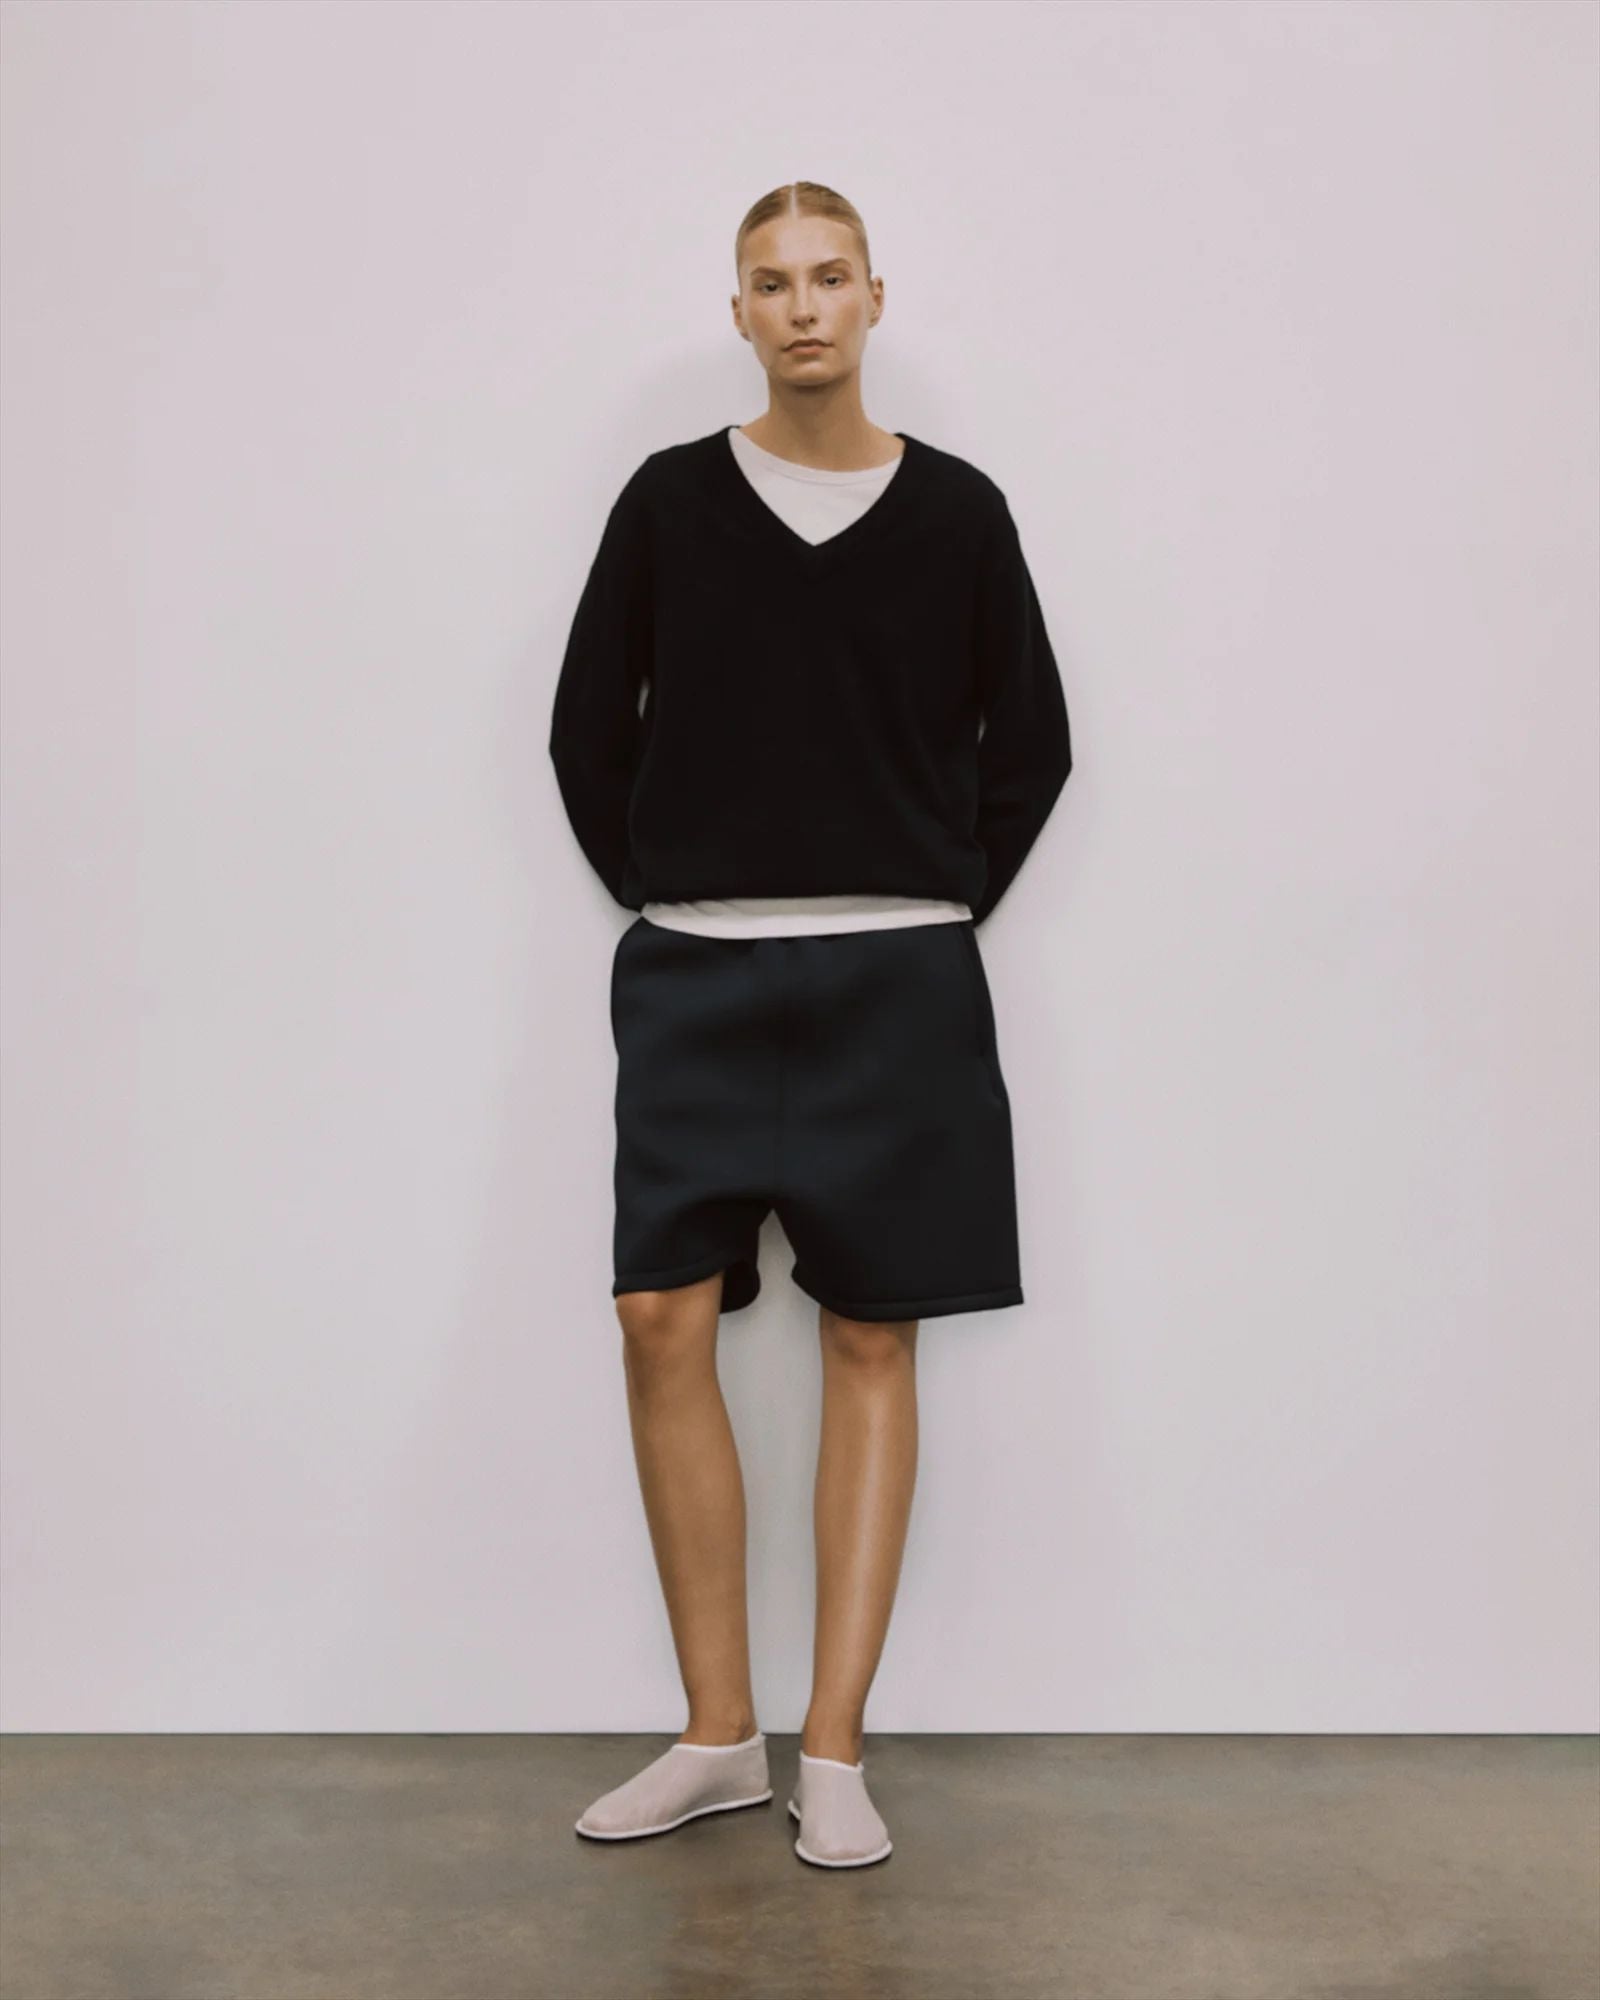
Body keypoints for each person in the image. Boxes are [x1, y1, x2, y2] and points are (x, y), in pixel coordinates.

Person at [548, 181, 1073, 1869]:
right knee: (657, 1317)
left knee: (871, 1337)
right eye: (770, 282)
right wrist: (672, 886)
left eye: (828, 277)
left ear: (872, 298)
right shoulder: (668, 503)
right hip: (697, 975)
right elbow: (583, 733)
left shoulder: (962, 512)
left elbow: (1033, 745)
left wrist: (931, 898)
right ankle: (718, 1735)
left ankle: (832, 1752)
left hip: (896, 984)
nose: (802, 307)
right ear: (740, 313)